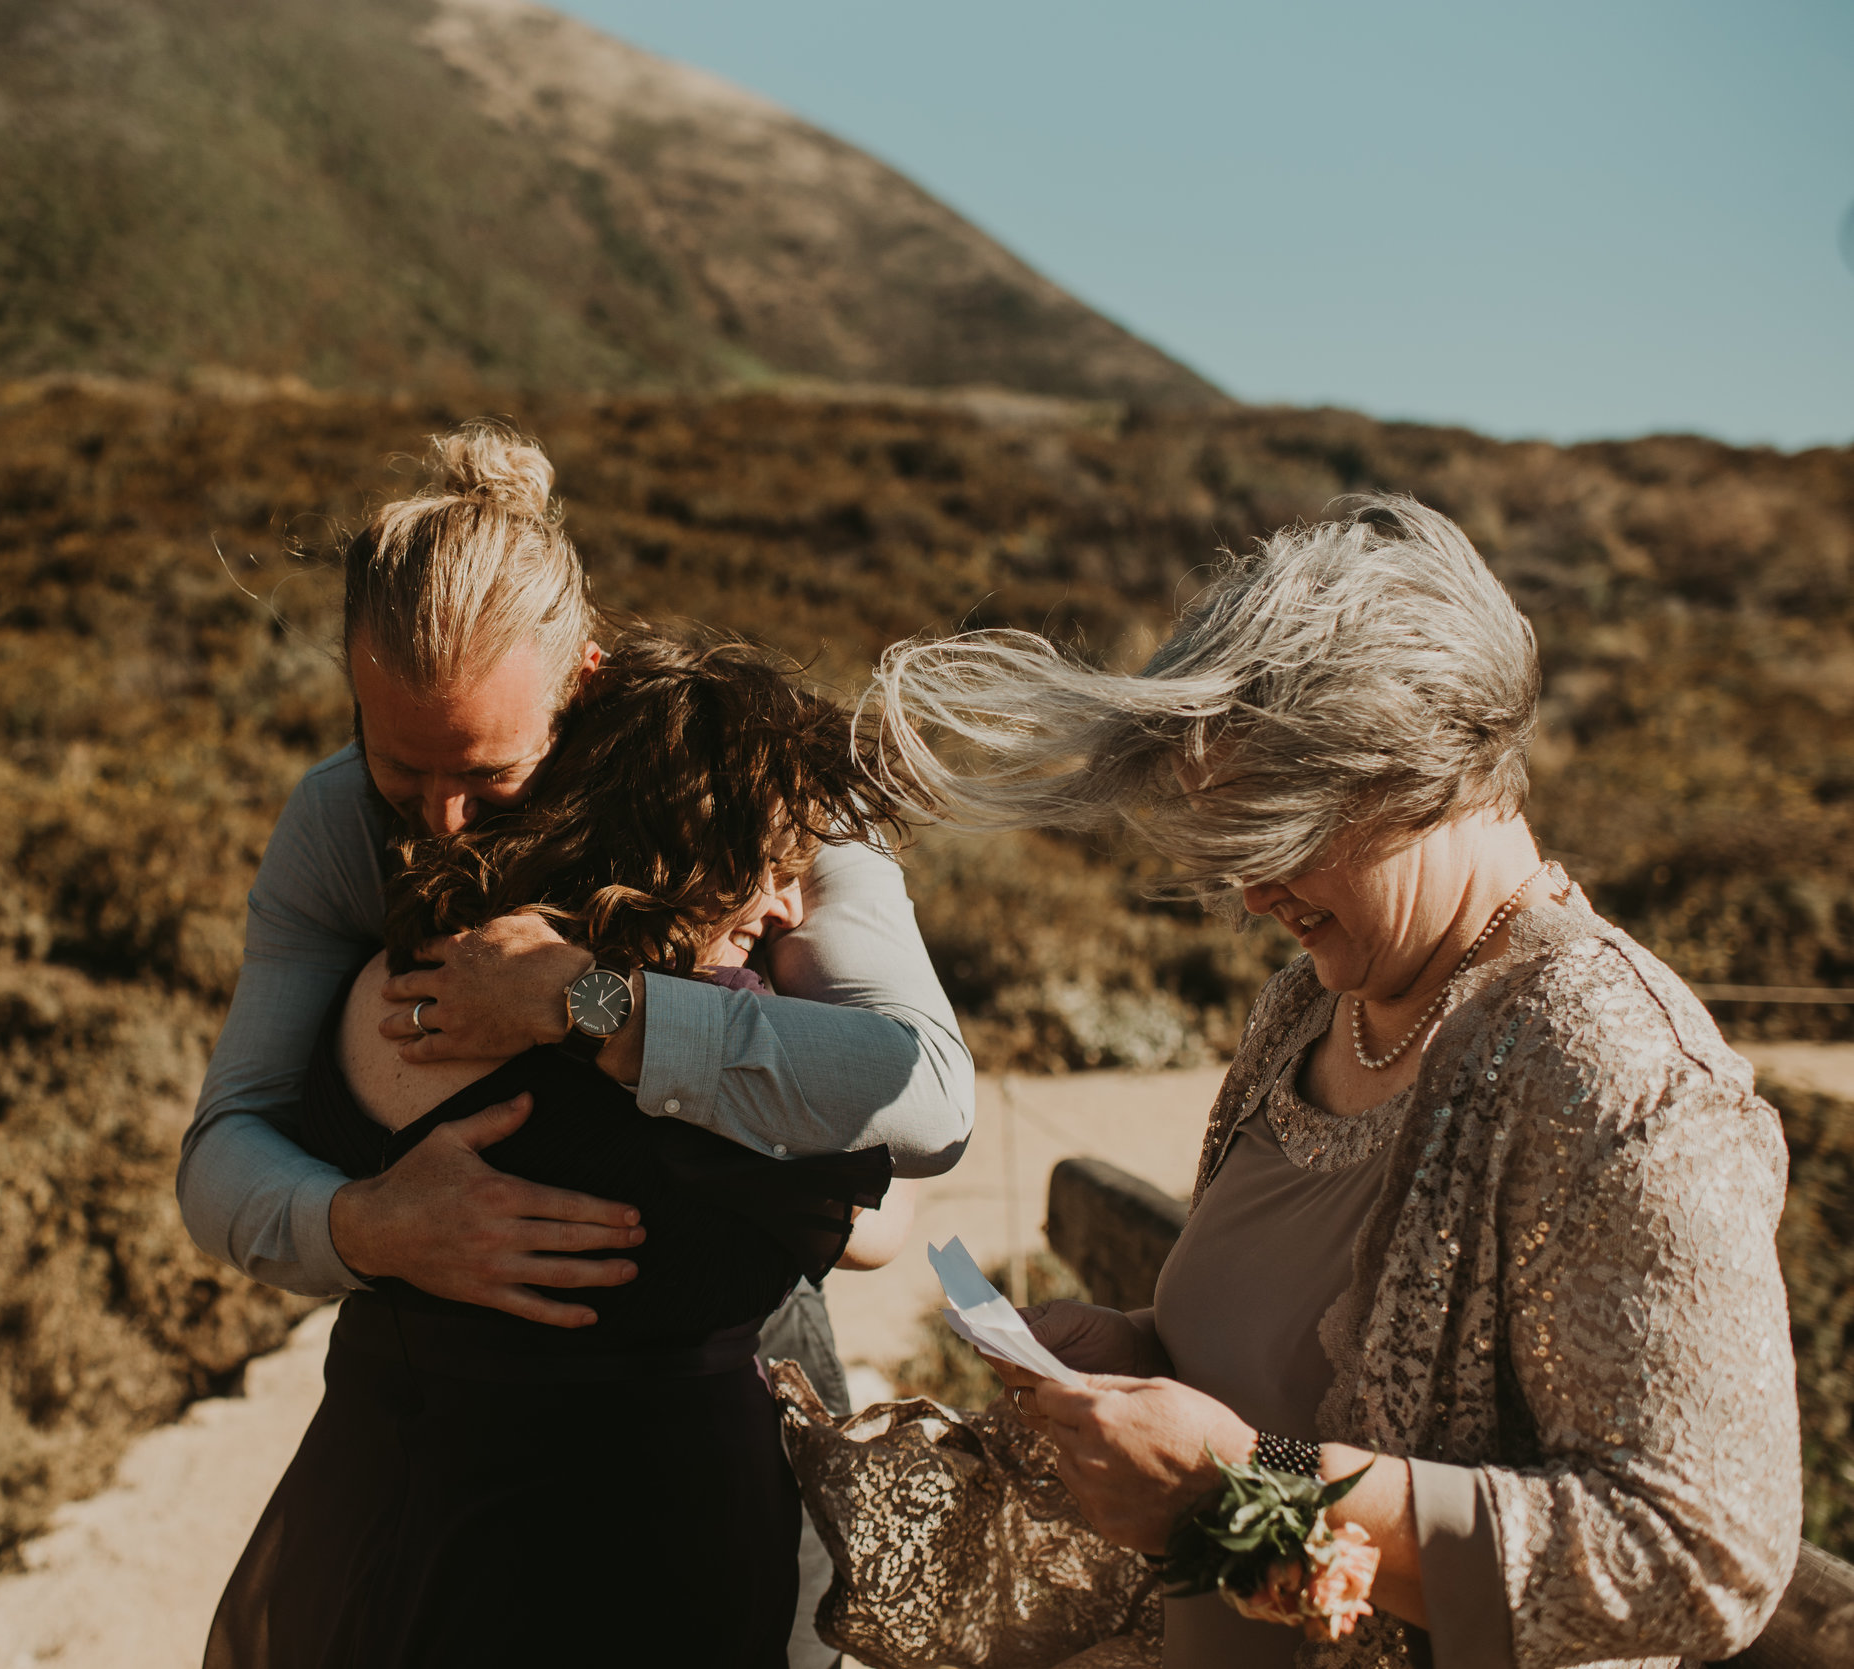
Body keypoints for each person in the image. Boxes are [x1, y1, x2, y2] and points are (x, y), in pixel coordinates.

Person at [865, 497, 1800, 1667]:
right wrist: (1138, 1353)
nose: (1250, 890)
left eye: (1282, 830)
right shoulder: (1308, 1007)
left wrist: (1241, 1484)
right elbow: (1285, 1378)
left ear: (1423, 769)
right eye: (1227, 843)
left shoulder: (1616, 1072)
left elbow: (1700, 1554)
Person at [178, 423, 972, 1664]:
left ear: (584, 681)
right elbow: (227, 1145)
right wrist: (367, 1226)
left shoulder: (759, 794)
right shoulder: (335, 820)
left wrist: (593, 1005)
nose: (437, 818)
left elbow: (924, 1095)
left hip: (724, 1414)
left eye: (487, 777)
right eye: (403, 766)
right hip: (426, 1432)